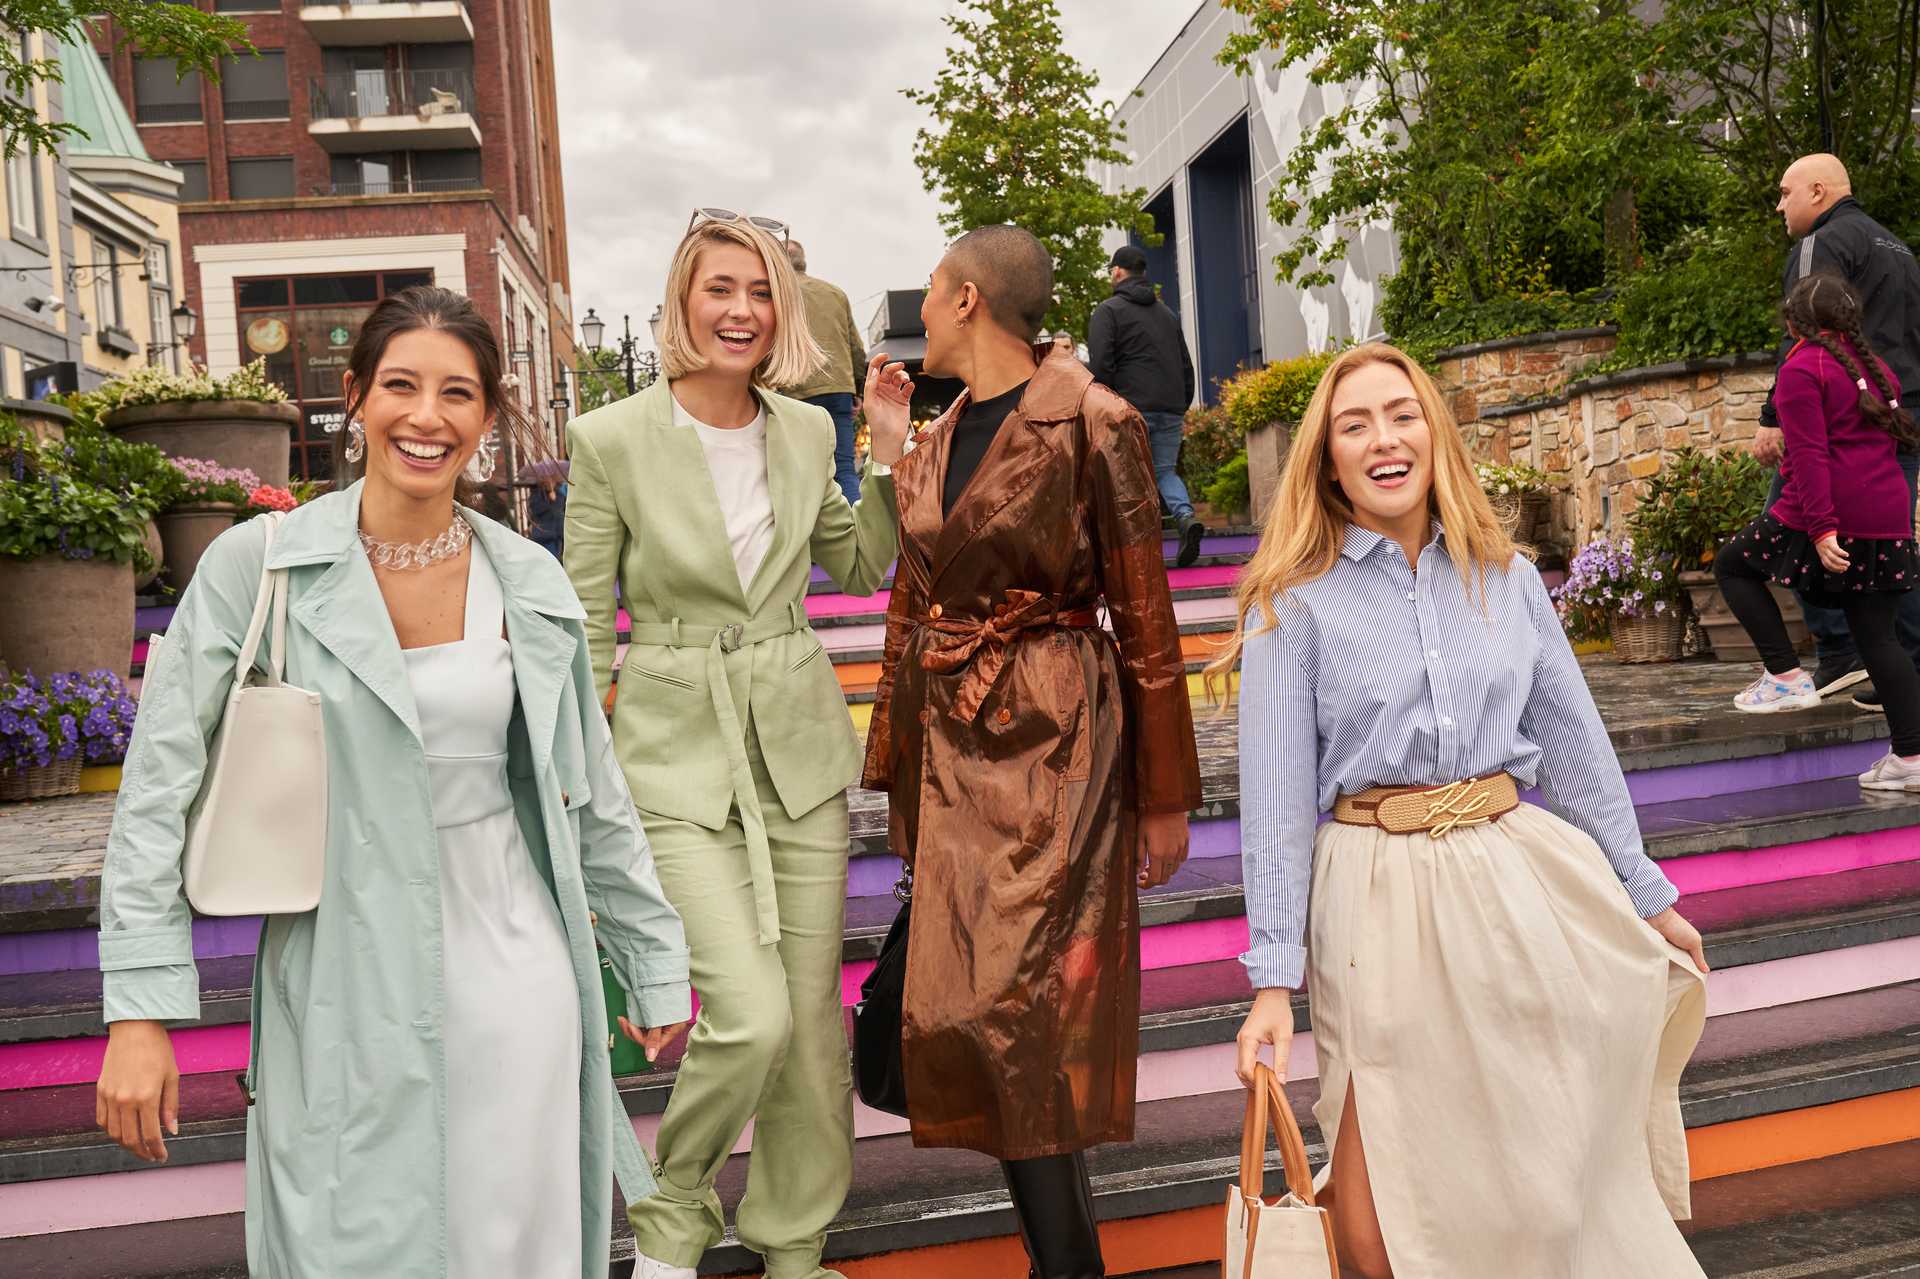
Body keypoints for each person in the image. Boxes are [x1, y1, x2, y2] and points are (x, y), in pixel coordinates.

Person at [93, 286, 693, 1278]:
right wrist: (138, 1007)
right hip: (340, 978)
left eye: (458, 393)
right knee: (350, 1245)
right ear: (356, 398)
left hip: (515, 973)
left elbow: (592, 790)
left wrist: (651, 953)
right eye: (401, 386)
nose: (427, 416)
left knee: (515, 1245)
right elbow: (157, 790)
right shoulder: (260, 569)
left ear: (488, 416)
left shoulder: (528, 581)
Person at [1222, 343, 1709, 1278]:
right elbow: (1274, 804)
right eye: (1355, 425)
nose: (1384, 439)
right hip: (1375, 896)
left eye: (1402, 415)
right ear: (1328, 461)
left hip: (1515, 875)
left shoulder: (1510, 578)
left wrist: (1647, 894)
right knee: (1373, 1219)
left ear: (1435, 434)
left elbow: (1574, 749)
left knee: (1537, 1170)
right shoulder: (1291, 603)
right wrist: (1272, 981)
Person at [564, 211, 908, 1279]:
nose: (742, 310)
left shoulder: (804, 431)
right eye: (721, 288)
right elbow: (582, 621)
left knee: (807, 1028)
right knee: (751, 1016)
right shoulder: (610, 438)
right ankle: (674, 1216)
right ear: (683, 298)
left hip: (795, 747)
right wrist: (580, 776)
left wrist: (886, 456)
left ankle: (795, 1247)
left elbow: (860, 567)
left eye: (761, 292)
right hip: (672, 753)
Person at [861, 224, 1201, 1279]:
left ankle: (1069, 1266)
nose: (922, 307)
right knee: (990, 1018)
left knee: (1020, 1017)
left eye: (932, 288)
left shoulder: (1095, 418)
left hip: (1055, 737)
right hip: (950, 740)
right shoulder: (935, 434)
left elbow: (1145, 612)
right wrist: (897, 767)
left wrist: (1163, 793)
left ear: (967, 298)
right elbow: (913, 597)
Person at [1714, 274, 1920, 782]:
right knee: (1879, 639)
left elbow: (1809, 455)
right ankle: (1912, 760)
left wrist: (1823, 529)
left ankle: (1784, 675)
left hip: (1830, 510)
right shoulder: (1877, 370)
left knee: (1733, 566)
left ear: (1794, 323)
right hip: (1887, 512)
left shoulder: (1802, 368)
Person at [1751, 153, 1920, 709]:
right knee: (1889, 547)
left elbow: (1803, 333)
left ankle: (1842, 651)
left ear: (1818, 192)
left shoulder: (1820, 244)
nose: (1780, 206)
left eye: (1786, 193)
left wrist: (1773, 417)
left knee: (1786, 534)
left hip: (1838, 418)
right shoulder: (1898, 248)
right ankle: (1908, 671)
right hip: (1899, 415)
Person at [1087, 243, 1203, 567]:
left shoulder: (1108, 312)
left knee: (1127, 476)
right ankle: (1185, 517)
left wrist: (1106, 404)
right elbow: (1185, 365)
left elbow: (1101, 365)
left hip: (1129, 409)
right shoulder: (1167, 315)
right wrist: (1179, 404)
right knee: (1164, 471)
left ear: (1117, 272)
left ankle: (1136, 549)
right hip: (1170, 407)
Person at [780, 238, 869, 504]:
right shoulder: (835, 293)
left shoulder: (777, 294)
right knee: (844, 468)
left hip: (795, 391)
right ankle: (854, 524)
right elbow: (856, 347)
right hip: (838, 389)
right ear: (803, 261)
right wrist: (857, 389)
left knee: (801, 471)